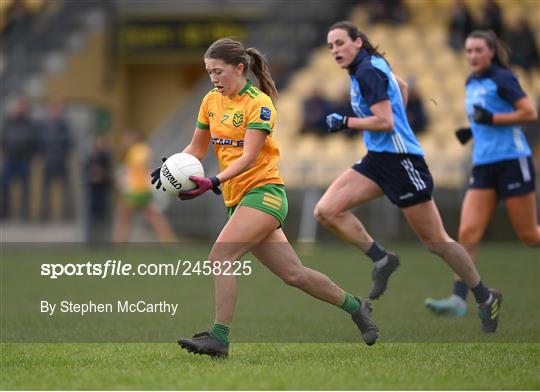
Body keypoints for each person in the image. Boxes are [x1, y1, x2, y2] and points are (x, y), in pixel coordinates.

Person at [150, 37, 379, 358]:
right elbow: (196, 149)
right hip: (238, 200)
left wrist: (213, 180)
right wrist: (171, 168)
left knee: (220, 258)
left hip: (264, 194)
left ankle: (219, 338)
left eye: (218, 71)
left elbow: (249, 156)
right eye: (209, 72)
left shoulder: (259, 103)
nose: (213, 79)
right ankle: (357, 307)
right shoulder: (210, 101)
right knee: (294, 275)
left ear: (239, 68)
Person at [314, 21, 501, 334]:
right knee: (326, 210)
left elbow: (386, 121)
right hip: (378, 160)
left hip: (402, 163)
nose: (334, 50)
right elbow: (402, 87)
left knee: (436, 242)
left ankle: (485, 296)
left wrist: (346, 121)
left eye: (340, 43)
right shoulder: (372, 64)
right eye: (330, 46)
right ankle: (382, 259)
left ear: (358, 42)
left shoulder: (367, 71)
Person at [425, 30, 539, 316]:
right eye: (469, 51)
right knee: (467, 233)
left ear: (492, 52)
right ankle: (459, 300)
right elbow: (482, 116)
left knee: (529, 236)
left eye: (478, 50)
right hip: (483, 164)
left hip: (513, 161)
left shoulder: (503, 78)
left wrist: (493, 119)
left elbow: (529, 113)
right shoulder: (471, 81)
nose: (473, 56)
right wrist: (473, 130)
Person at [112, 130, 177, 243]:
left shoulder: (138, 149)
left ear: (134, 138)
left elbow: (141, 166)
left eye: (128, 137)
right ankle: (169, 239)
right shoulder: (138, 150)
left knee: (124, 218)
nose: (125, 140)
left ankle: (119, 242)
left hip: (135, 190)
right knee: (152, 216)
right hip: (141, 189)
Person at [0, 98, 37, 220]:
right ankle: (5, 213)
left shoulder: (29, 123)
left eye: (22, 107)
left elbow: (33, 142)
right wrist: (6, 153)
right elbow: (3, 139)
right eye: (18, 107)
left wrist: (29, 157)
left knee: (25, 188)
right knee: (5, 187)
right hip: (10, 159)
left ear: (25, 109)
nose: (19, 109)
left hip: (24, 160)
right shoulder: (9, 122)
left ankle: (24, 214)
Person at [39, 99, 72, 221]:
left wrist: (62, 154)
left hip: (61, 161)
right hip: (48, 161)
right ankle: (44, 214)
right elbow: (40, 143)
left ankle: (66, 214)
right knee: (46, 190)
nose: (54, 112)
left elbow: (68, 143)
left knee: (65, 190)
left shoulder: (64, 126)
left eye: (56, 110)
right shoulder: (44, 126)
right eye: (52, 110)